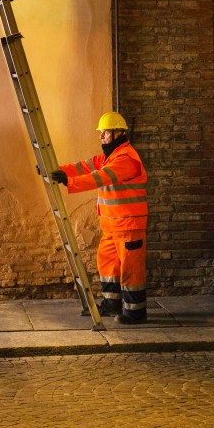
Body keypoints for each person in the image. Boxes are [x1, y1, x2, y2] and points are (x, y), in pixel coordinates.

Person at [51, 111, 148, 325]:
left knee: (131, 270)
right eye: (101, 133)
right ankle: (112, 304)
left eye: (105, 133)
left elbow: (99, 177)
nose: (102, 137)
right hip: (112, 226)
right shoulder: (108, 157)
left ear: (119, 133)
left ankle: (135, 312)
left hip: (129, 225)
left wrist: (69, 181)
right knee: (107, 264)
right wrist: (55, 171)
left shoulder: (125, 159)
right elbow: (83, 166)